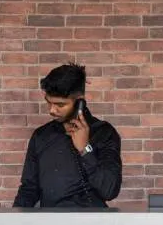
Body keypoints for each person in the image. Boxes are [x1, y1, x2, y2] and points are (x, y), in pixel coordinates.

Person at [13, 62, 122, 208]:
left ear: (79, 102)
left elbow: (109, 190)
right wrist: (13, 219)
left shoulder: (104, 133)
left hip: (92, 220)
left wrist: (85, 149)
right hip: (50, 220)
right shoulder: (41, 136)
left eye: (60, 105)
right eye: (49, 103)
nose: (52, 110)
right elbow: (28, 190)